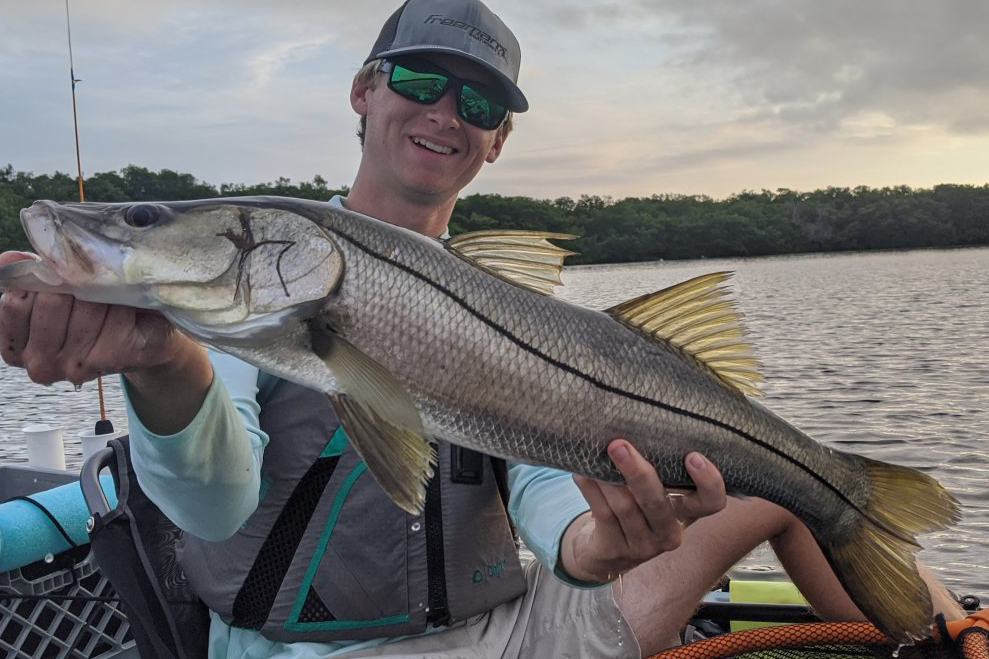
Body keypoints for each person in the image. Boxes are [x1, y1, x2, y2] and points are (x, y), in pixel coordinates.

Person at [0, 1, 963, 657]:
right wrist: (166, 362)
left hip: (518, 631)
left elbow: (553, 496)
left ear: (497, 138)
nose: (445, 113)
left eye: (480, 102)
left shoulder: (505, 296)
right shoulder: (237, 309)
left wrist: (600, 547)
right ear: (363, 90)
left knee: (801, 486)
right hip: (304, 649)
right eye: (420, 78)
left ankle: (952, 631)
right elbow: (213, 503)